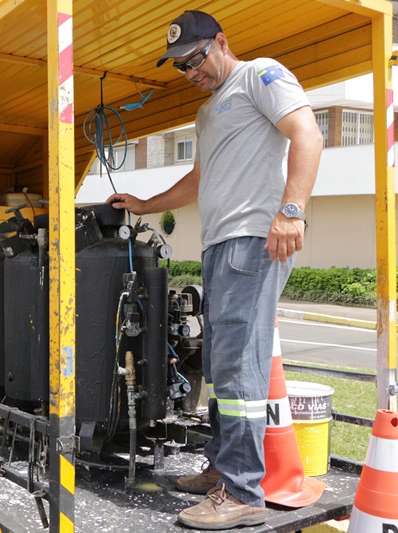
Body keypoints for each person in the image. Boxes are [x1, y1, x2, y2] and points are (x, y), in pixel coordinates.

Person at [106, 10, 322, 530]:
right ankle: (222, 469)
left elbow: (308, 135)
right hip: (220, 244)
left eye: (195, 59)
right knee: (224, 364)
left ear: (221, 43)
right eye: (180, 67)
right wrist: (144, 204)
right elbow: (199, 179)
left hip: (255, 239)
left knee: (238, 363)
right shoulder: (208, 114)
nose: (190, 71)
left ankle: (243, 491)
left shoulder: (260, 75)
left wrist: (291, 210)